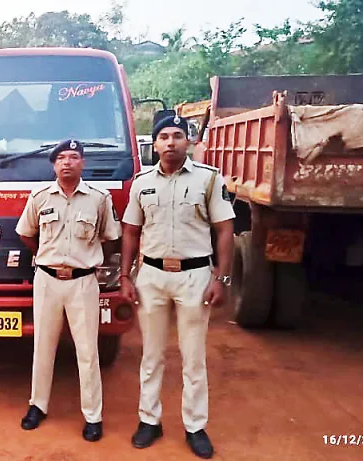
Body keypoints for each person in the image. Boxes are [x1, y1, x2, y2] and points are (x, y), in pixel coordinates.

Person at [119, 115, 235, 459]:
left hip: (194, 277)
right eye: (164, 137)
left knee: (193, 357)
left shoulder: (208, 180)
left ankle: (195, 426)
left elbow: (225, 229)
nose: (171, 142)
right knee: (151, 355)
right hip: (152, 276)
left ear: (189, 142)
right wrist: (125, 276)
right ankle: (148, 420)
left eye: (178, 136)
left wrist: (221, 278)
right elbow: (130, 232)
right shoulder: (141, 183)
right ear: (154, 145)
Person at [15, 139, 122, 442]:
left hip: (83, 282)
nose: (67, 163)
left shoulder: (99, 199)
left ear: (83, 164)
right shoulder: (39, 197)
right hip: (47, 279)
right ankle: (38, 405)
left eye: (74, 157)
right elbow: (26, 233)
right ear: (54, 165)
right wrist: (44, 257)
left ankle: (93, 415)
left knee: (87, 350)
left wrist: (86, 261)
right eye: (61, 158)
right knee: (43, 347)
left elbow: (110, 237)